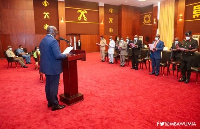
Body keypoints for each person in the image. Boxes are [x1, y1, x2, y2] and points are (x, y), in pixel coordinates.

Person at [39, 26, 69, 111]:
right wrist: (65, 55)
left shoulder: (43, 40)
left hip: (46, 67)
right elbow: (58, 56)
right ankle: (55, 104)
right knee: (53, 86)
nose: (57, 33)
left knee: (48, 85)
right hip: (53, 68)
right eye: (56, 31)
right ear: (52, 32)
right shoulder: (53, 41)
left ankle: (50, 102)